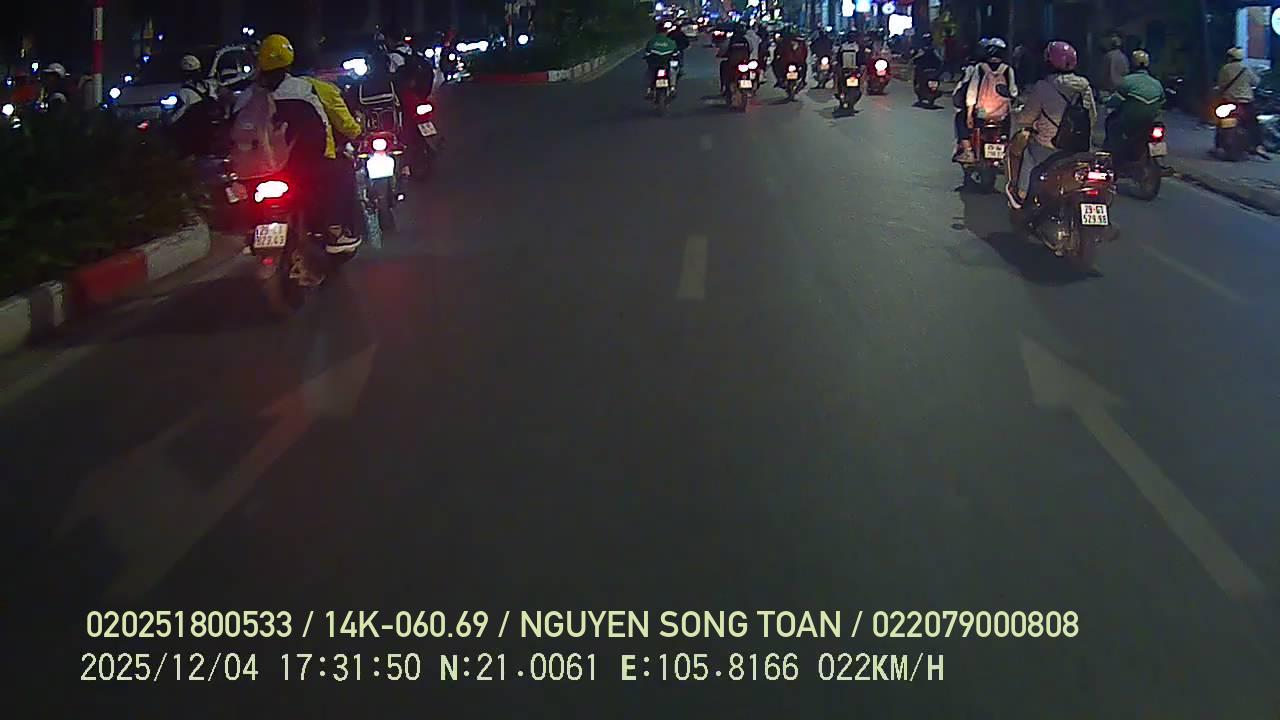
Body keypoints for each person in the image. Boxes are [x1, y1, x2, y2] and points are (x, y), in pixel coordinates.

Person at [234, 34, 364, 252]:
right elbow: (322, 126)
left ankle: (251, 232)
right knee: (343, 172)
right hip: (299, 167)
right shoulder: (303, 90)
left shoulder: (246, 96)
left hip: (255, 170)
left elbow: (232, 132)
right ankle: (334, 231)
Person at [1007, 40, 1097, 216]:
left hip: (1049, 146)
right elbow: (1092, 116)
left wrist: (1021, 117)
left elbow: (1026, 117)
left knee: (1027, 153)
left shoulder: (1043, 86)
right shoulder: (1084, 86)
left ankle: (1022, 194)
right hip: (1080, 146)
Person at [954, 38, 1016, 163]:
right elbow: (1013, 92)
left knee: (960, 118)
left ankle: (968, 151)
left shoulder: (980, 68)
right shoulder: (1008, 69)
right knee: (1009, 128)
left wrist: (969, 114)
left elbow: (972, 92)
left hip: (982, 112)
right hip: (1001, 115)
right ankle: (1006, 154)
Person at [1103, 49, 1165, 152]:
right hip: (1150, 122)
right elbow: (1162, 103)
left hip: (1129, 123)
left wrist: (1106, 101)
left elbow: (1115, 101)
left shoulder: (1127, 81)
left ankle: (1111, 151)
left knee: (1111, 123)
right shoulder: (1157, 84)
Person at [1217, 47, 1268, 159]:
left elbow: (1221, 84)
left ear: (1230, 57)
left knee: (1220, 122)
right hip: (1245, 102)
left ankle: (1218, 145)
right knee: (1253, 124)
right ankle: (1258, 146)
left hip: (1228, 101)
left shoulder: (1225, 68)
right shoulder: (1246, 69)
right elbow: (1256, 82)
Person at [644, 23, 680, 97]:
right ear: (666, 32)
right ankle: (672, 88)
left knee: (650, 72)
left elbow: (647, 53)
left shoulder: (652, 41)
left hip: (655, 64)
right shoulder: (671, 42)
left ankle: (649, 89)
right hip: (666, 63)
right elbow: (675, 53)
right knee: (673, 71)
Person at [718, 26, 753, 95]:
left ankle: (725, 87)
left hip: (733, 64)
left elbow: (723, 50)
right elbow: (751, 49)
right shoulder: (747, 40)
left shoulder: (730, 40)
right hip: (744, 62)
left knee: (724, 66)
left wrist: (720, 54)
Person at [1097, 32, 1129, 101]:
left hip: (1108, 91)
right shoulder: (1124, 57)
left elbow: (1102, 74)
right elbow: (1126, 73)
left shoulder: (1107, 56)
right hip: (1120, 91)